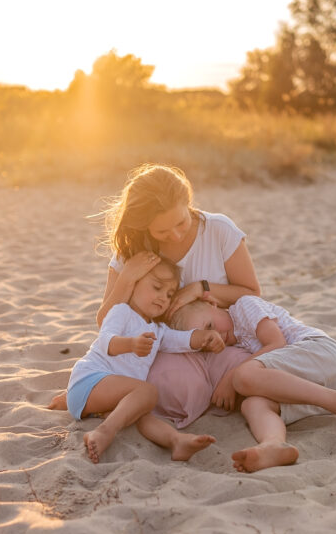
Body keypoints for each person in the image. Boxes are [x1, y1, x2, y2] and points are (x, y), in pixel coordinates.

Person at [95, 164, 260, 428]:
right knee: (170, 388)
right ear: (144, 227)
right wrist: (127, 277)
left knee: (249, 377)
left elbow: (251, 293)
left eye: (181, 222)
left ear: (189, 201)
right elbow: (106, 323)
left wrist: (200, 287)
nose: (175, 234)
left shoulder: (219, 230)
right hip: (167, 349)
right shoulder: (133, 250)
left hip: (224, 342)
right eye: (162, 231)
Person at [48, 258, 226, 463]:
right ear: (134, 285)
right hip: (90, 379)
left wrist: (204, 337)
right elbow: (105, 340)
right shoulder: (121, 312)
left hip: (112, 398)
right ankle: (105, 431)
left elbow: (182, 340)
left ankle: (176, 440)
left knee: (142, 413)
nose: (162, 297)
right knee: (147, 392)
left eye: (169, 295)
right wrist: (131, 344)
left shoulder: (158, 330)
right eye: (157, 287)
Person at [171, 296, 336, 473]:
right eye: (206, 340)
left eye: (209, 326)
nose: (216, 336)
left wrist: (230, 377)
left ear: (212, 303)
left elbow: (277, 343)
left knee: (243, 377)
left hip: (320, 351)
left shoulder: (244, 307)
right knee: (252, 404)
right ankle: (274, 444)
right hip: (317, 382)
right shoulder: (237, 341)